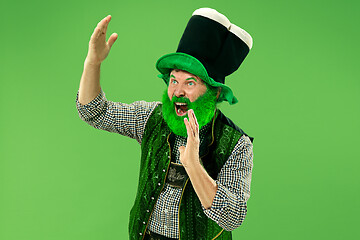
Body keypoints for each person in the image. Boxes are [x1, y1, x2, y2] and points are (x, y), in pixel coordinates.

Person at [76, 8, 254, 240]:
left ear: (214, 91)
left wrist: (193, 165)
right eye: (173, 80)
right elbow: (94, 112)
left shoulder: (236, 144)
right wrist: (93, 63)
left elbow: (233, 216)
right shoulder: (151, 116)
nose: (177, 91)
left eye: (190, 83)